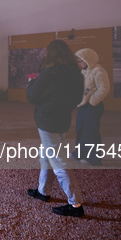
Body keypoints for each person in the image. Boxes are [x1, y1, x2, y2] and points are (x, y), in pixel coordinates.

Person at [26, 40, 86, 217]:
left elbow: (32, 96)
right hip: (62, 119)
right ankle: (43, 191)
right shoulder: (76, 74)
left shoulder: (50, 74)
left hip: (47, 121)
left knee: (58, 161)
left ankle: (75, 204)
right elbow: (77, 98)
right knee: (46, 155)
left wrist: (32, 82)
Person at [73, 48, 110, 166]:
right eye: (78, 61)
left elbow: (104, 88)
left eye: (81, 61)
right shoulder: (84, 71)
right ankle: (80, 153)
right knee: (80, 129)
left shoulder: (99, 70)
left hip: (93, 106)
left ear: (88, 59)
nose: (79, 64)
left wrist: (92, 101)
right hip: (83, 105)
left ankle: (92, 157)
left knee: (90, 131)